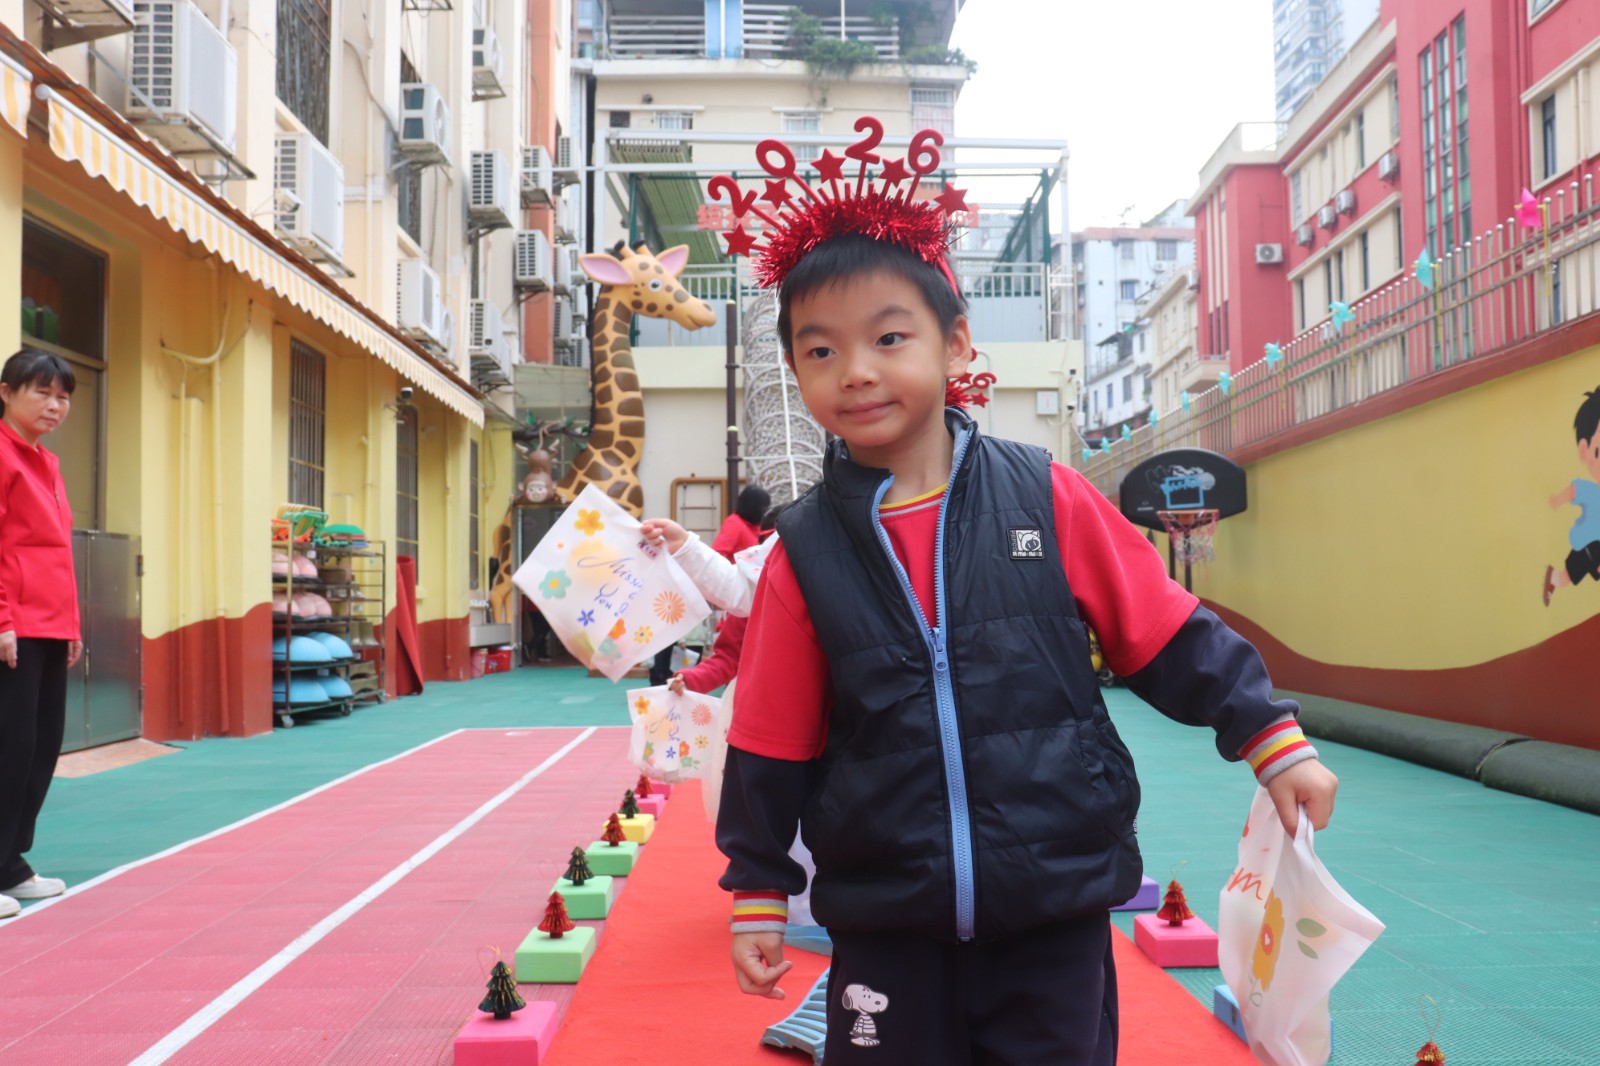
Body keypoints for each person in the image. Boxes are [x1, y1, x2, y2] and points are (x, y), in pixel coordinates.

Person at [705, 132, 1338, 1065]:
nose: (857, 370)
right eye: (821, 349)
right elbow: (771, 739)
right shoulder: (804, 552)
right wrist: (759, 886)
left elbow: (1164, 630)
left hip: (1055, 904)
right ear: (797, 374)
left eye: (889, 338)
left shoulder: (1044, 495)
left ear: (956, 343)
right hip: (886, 920)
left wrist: (1268, 735)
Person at [0, 349, 83, 919]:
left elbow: (55, 551)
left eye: (63, 397)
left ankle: (9, 864)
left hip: (50, 627)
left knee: (40, 747)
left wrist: (71, 625)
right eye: (42, 392)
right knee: (8, 748)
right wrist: (3, 619)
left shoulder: (46, 461)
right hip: (14, 627)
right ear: (6, 393)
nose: (55, 406)